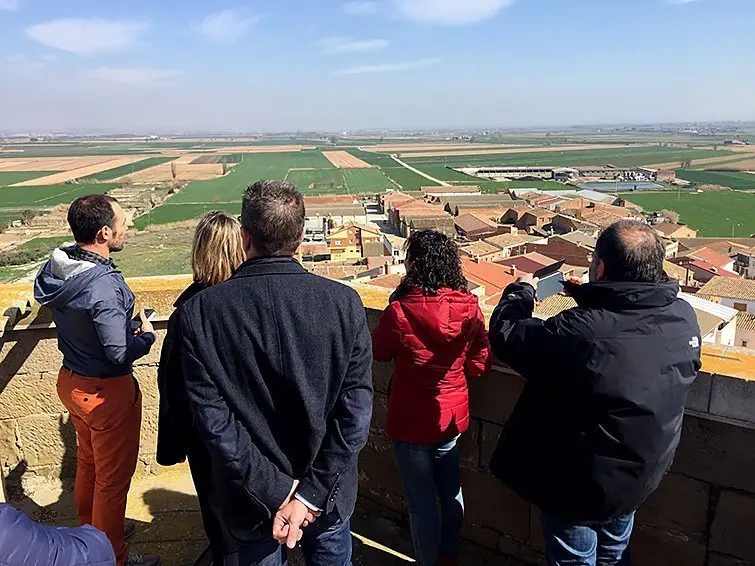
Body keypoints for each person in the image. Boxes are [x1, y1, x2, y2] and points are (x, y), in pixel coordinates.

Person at [176, 180, 373, 566]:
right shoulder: (344, 304)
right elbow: (355, 416)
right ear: (300, 237)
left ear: (244, 235)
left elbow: (216, 424)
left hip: (250, 497)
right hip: (328, 495)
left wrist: (278, 492)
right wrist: (308, 495)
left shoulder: (202, 313)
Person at [488, 220, 702, 566]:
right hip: (638, 475)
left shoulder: (580, 333)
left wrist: (521, 293)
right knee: (614, 555)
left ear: (600, 267)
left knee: (575, 559)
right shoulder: (683, 317)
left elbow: (508, 335)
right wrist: (589, 294)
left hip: (578, 481)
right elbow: (626, 322)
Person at [34, 195, 160, 566]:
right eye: (124, 222)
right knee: (113, 481)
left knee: (89, 465)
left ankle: (92, 531)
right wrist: (146, 336)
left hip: (72, 381)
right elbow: (118, 353)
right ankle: (111, 556)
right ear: (104, 232)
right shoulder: (103, 286)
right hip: (106, 392)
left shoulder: (59, 266)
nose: (129, 227)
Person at [372, 230, 491, 566]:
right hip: (450, 418)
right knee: (451, 491)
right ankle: (448, 555)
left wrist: (396, 300)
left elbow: (379, 351)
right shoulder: (470, 309)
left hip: (410, 420)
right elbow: (481, 365)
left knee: (420, 504)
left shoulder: (400, 311)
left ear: (414, 265)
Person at [157, 211, 245, 565]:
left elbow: (174, 387)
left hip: (206, 437)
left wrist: (173, 444)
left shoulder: (188, 312)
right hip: (254, 433)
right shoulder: (253, 302)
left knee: (219, 520)